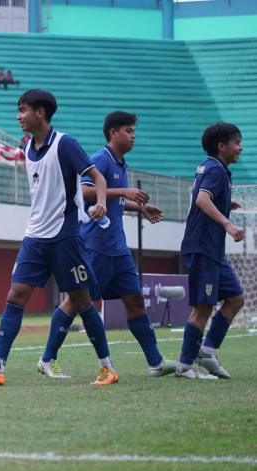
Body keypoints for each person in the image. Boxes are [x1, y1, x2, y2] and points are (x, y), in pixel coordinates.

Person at [0, 89, 115, 386]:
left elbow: (98, 178)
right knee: (15, 296)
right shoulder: (27, 147)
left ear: (40, 112)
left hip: (65, 237)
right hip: (34, 236)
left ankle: (107, 367)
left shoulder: (65, 144)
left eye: (23, 110)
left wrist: (101, 203)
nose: (18, 116)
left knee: (82, 301)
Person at [36, 111, 176, 379]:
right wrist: (124, 192)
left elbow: (114, 202)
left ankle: (156, 362)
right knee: (76, 302)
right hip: (95, 246)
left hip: (118, 249)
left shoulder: (121, 164)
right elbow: (86, 192)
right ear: (113, 132)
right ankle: (47, 358)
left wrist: (138, 208)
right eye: (128, 130)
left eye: (134, 131)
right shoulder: (101, 159)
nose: (133, 135)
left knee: (134, 301)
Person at [176, 122, 245, 380]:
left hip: (212, 251)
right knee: (203, 307)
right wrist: (227, 223)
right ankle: (185, 365)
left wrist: (226, 203)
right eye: (236, 142)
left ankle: (207, 351)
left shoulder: (212, 167)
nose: (241, 148)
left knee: (235, 298)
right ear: (221, 146)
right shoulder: (215, 170)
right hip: (203, 248)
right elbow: (202, 199)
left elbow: (206, 196)